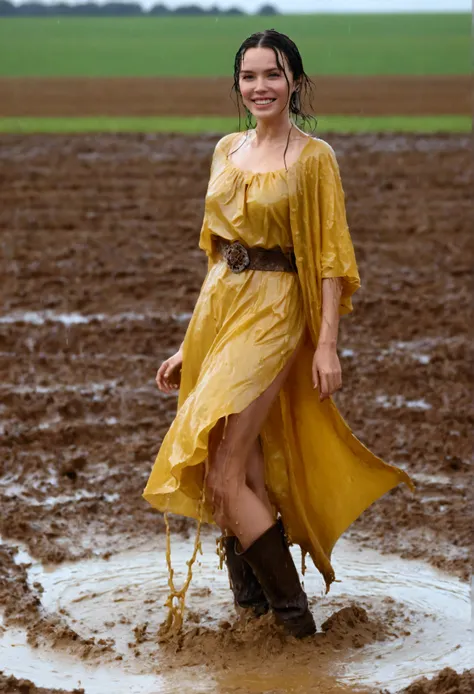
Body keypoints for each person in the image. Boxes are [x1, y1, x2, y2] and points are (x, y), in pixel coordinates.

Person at [143, 29, 413, 640]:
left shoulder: (314, 158)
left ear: (295, 81)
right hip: (220, 309)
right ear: (237, 85)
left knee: (222, 472)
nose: (260, 86)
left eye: (273, 74)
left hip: (274, 312)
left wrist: (325, 343)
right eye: (249, 76)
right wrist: (190, 344)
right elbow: (216, 255)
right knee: (243, 471)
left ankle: (296, 627)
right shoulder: (225, 149)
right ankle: (256, 613)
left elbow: (329, 258)